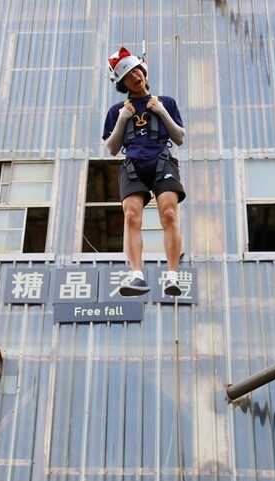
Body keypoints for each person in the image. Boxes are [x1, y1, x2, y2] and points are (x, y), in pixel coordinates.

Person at [102, 46, 185, 297]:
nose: (134, 77)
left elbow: (179, 137)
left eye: (136, 71)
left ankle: (172, 275)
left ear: (144, 71)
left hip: (161, 161)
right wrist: (122, 120)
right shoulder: (117, 110)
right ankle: (136, 274)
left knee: (169, 213)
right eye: (128, 76)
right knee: (130, 216)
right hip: (133, 164)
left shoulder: (166, 102)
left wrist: (161, 111)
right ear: (123, 83)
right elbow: (112, 148)